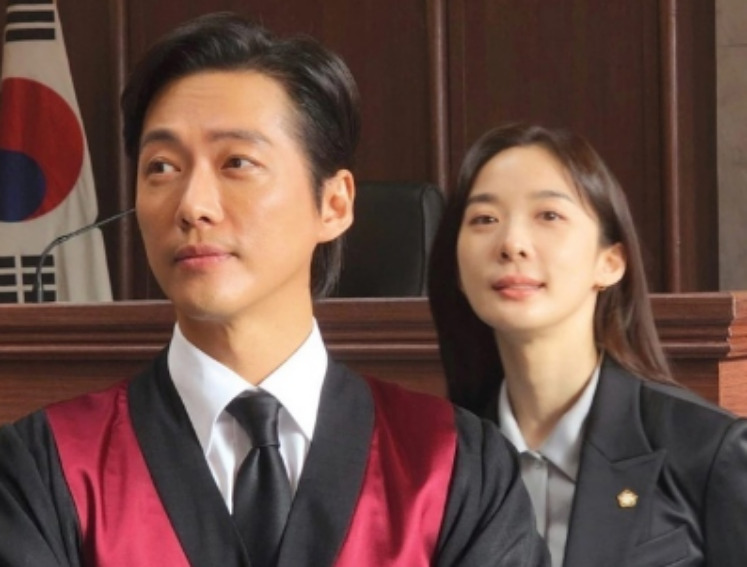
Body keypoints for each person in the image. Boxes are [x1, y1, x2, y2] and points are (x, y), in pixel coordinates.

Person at [0, 13, 549, 567]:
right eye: (161, 167)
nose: (192, 205)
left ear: (333, 204)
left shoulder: (455, 464)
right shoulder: (44, 467)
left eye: (237, 162)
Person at [428, 123, 747, 566]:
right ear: (458, 269)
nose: (512, 244)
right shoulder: (439, 459)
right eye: (484, 219)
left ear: (610, 262)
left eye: (548, 215)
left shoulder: (707, 450)